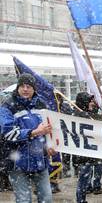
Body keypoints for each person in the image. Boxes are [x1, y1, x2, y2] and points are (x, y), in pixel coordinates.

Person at [0, 73, 55, 203]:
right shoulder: (7, 106)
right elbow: (8, 134)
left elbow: (50, 129)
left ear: (34, 89)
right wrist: (34, 132)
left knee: (47, 199)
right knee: (24, 200)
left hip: (40, 161)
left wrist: (51, 145)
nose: (25, 89)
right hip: (17, 163)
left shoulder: (41, 104)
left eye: (29, 86)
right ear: (17, 88)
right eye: (22, 86)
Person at [73, 92, 102, 203]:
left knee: (85, 178)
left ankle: (82, 198)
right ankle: (80, 200)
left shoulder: (88, 113)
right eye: (89, 101)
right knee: (83, 179)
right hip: (83, 153)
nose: (91, 103)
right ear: (84, 102)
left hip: (92, 150)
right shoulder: (78, 115)